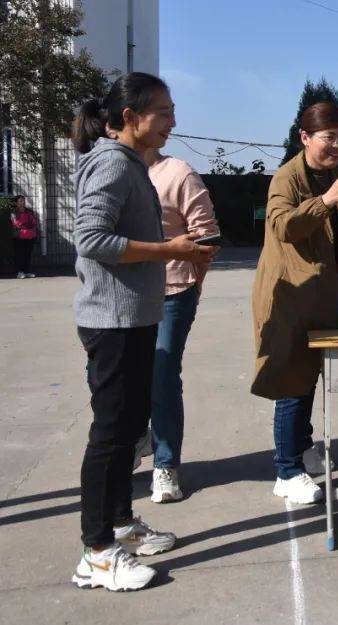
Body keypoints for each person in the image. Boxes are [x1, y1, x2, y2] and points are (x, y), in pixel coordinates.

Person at [70, 73, 216, 591]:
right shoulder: (112, 161)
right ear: (130, 116)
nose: (172, 121)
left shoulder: (130, 162)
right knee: (110, 435)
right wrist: (169, 250)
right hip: (110, 321)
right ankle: (97, 551)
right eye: (164, 111)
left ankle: (119, 525)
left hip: (132, 315)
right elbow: (90, 238)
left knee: (129, 425)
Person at [252, 101, 338, 505]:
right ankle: (286, 469)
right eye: (329, 137)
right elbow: (282, 225)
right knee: (292, 382)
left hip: (323, 296)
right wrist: (328, 199)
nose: (337, 146)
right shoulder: (288, 177)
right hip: (291, 297)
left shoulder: (331, 175)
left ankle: (302, 446)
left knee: (309, 375)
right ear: (305, 137)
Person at [143, 145, 219, 503]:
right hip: (120, 295)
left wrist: (194, 283)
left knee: (162, 373)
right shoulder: (111, 171)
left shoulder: (177, 173)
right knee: (111, 378)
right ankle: (138, 437)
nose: (169, 121)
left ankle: (165, 463)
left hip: (173, 291)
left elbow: (206, 237)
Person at [10, 195, 39, 279]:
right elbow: (16, 223)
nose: (22, 202)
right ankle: (19, 272)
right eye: (20, 201)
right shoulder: (14, 212)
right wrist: (26, 225)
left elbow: (33, 221)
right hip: (19, 236)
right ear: (16, 203)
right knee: (20, 254)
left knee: (28, 254)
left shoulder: (29, 211)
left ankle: (27, 271)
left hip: (30, 235)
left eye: (23, 201)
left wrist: (27, 225)